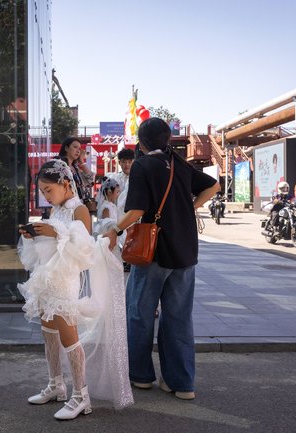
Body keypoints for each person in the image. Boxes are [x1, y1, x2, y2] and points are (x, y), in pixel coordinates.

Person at [104, 118, 219, 401]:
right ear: (167, 139)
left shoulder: (144, 165)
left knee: (140, 314)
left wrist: (114, 230)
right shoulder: (178, 163)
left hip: (153, 252)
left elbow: (136, 211)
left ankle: (141, 376)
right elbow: (213, 186)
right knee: (179, 318)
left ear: (142, 143)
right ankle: (181, 383)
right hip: (185, 250)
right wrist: (188, 208)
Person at [17, 159, 133, 420]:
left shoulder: (79, 210)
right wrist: (35, 233)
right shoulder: (57, 210)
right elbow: (53, 241)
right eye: (43, 192)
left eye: (49, 191)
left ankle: (81, 395)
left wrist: (55, 233)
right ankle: (56, 384)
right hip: (48, 275)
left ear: (65, 184)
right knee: (48, 332)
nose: (46, 197)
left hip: (64, 280)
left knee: (68, 335)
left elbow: (84, 250)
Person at [58, 137, 95, 208]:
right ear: (66, 148)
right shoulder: (59, 165)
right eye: (75, 147)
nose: (78, 151)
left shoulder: (75, 168)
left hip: (78, 205)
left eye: (79, 149)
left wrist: (81, 161)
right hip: (65, 206)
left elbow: (90, 181)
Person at [106, 148, 135, 215]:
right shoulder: (114, 178)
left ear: (134, 162)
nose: (127, 165)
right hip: (116, 215)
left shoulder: (139, 179)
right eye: (124, 162)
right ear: (119, 163)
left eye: (130, 162)